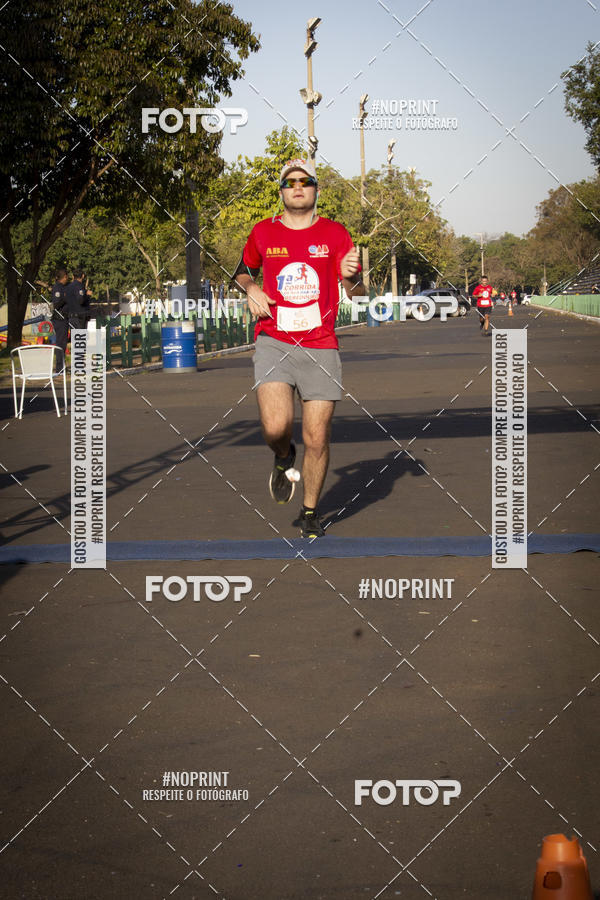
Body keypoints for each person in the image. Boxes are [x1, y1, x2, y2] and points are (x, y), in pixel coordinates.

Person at [234, 157, 365, 538]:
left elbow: (357, 293)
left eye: (305, 181)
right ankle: (282, 455)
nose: (297, 186)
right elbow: (241, 270)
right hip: (274, 340)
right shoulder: (263, 232)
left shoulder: (336, 234)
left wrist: (352, 278)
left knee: (317, 437)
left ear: (315, 189)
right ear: (281, 191)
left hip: (321, 346)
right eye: (290, 181)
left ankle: (309, 512)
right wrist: (251, 287)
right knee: (276, 428)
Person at [50, 267, 69, 371]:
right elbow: (56, 304)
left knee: (64, 342)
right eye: (67, 277)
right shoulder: (57, 287)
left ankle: (62, 366)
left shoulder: (63, 287)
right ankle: (59, 367)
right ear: (65, 277)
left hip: (64, 318)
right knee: (60, 343)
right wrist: (65, 298)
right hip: (59, 318)